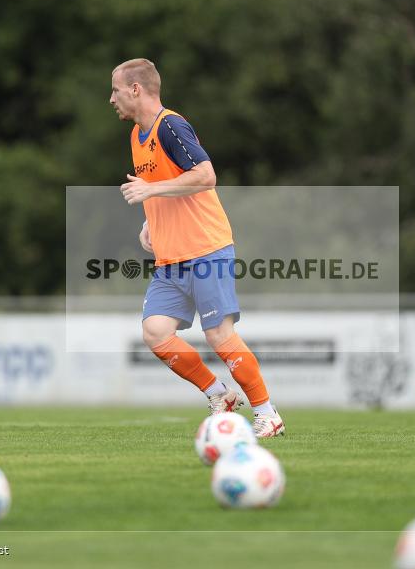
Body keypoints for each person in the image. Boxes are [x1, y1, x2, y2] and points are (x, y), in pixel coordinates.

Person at [109, 58, 285, 437]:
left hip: (206, 248)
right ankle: (218, 393)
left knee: (219, 335)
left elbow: (205, 176)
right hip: (171, 257)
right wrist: (149, 220)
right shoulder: (136, 136)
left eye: (116, 90)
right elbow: (167, 183)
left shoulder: (170, 125)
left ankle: (267, 413)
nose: (112, 99)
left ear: (136, 89)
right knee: (155, 332)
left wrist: (150, 192)